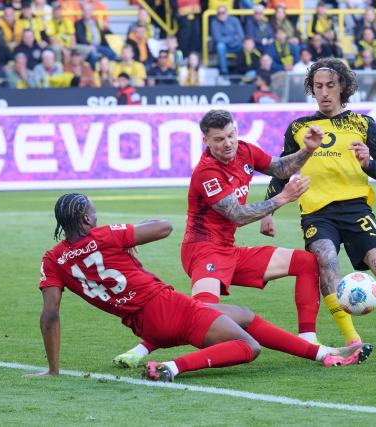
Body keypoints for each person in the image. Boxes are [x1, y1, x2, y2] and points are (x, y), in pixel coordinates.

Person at [28, 193, 373, 382]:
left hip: (143, 320)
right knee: (248, 346)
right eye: (93, 211)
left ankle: (324, 355)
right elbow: (162, 228)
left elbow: (50, 314)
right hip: (165, 307)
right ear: (87, 219)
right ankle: (173, 368)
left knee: (242, 314)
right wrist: (125, 237)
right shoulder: (104, 236)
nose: (96, 215)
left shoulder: (53, 259)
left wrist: (53, 369)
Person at [113, 109, 336, 366]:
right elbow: (238, 216)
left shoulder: (245, 151)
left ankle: (308, 339)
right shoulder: (206, 172)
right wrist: (282, 198)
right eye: (219, 139)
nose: (228, 143)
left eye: (231, 135)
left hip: (228, 249)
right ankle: (146, 352)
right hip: (203, 250)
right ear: (205, 141)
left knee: (305, 262)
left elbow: (281, 167)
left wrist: (306, 150)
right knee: (201, 314)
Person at [260, 58, 376, 348]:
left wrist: (368, 162)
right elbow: (283, 170)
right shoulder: (299, 127)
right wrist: (269, 210)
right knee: (326, 262)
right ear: (312, 89)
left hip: (357, 210)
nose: (324, 92)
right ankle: (353, 339)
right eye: (318, 87)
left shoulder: (363, 124)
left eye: (330, 85)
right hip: (317, 214)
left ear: (343, 86)